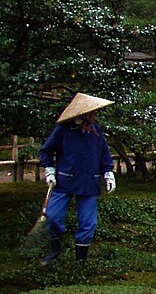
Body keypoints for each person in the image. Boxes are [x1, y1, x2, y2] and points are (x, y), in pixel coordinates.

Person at [39, 93, 116, 264]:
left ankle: (81, 260)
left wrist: (108, 173)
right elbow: (46, 150)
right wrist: (50, 170)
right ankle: (55, 250)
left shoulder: (96, 132)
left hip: (89, 182)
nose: (95, 116)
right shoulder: (63, 131)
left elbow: (104, 153)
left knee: (88, 223)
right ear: (83, 114)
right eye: (93, 113)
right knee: (52, 216)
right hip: (65, 181)